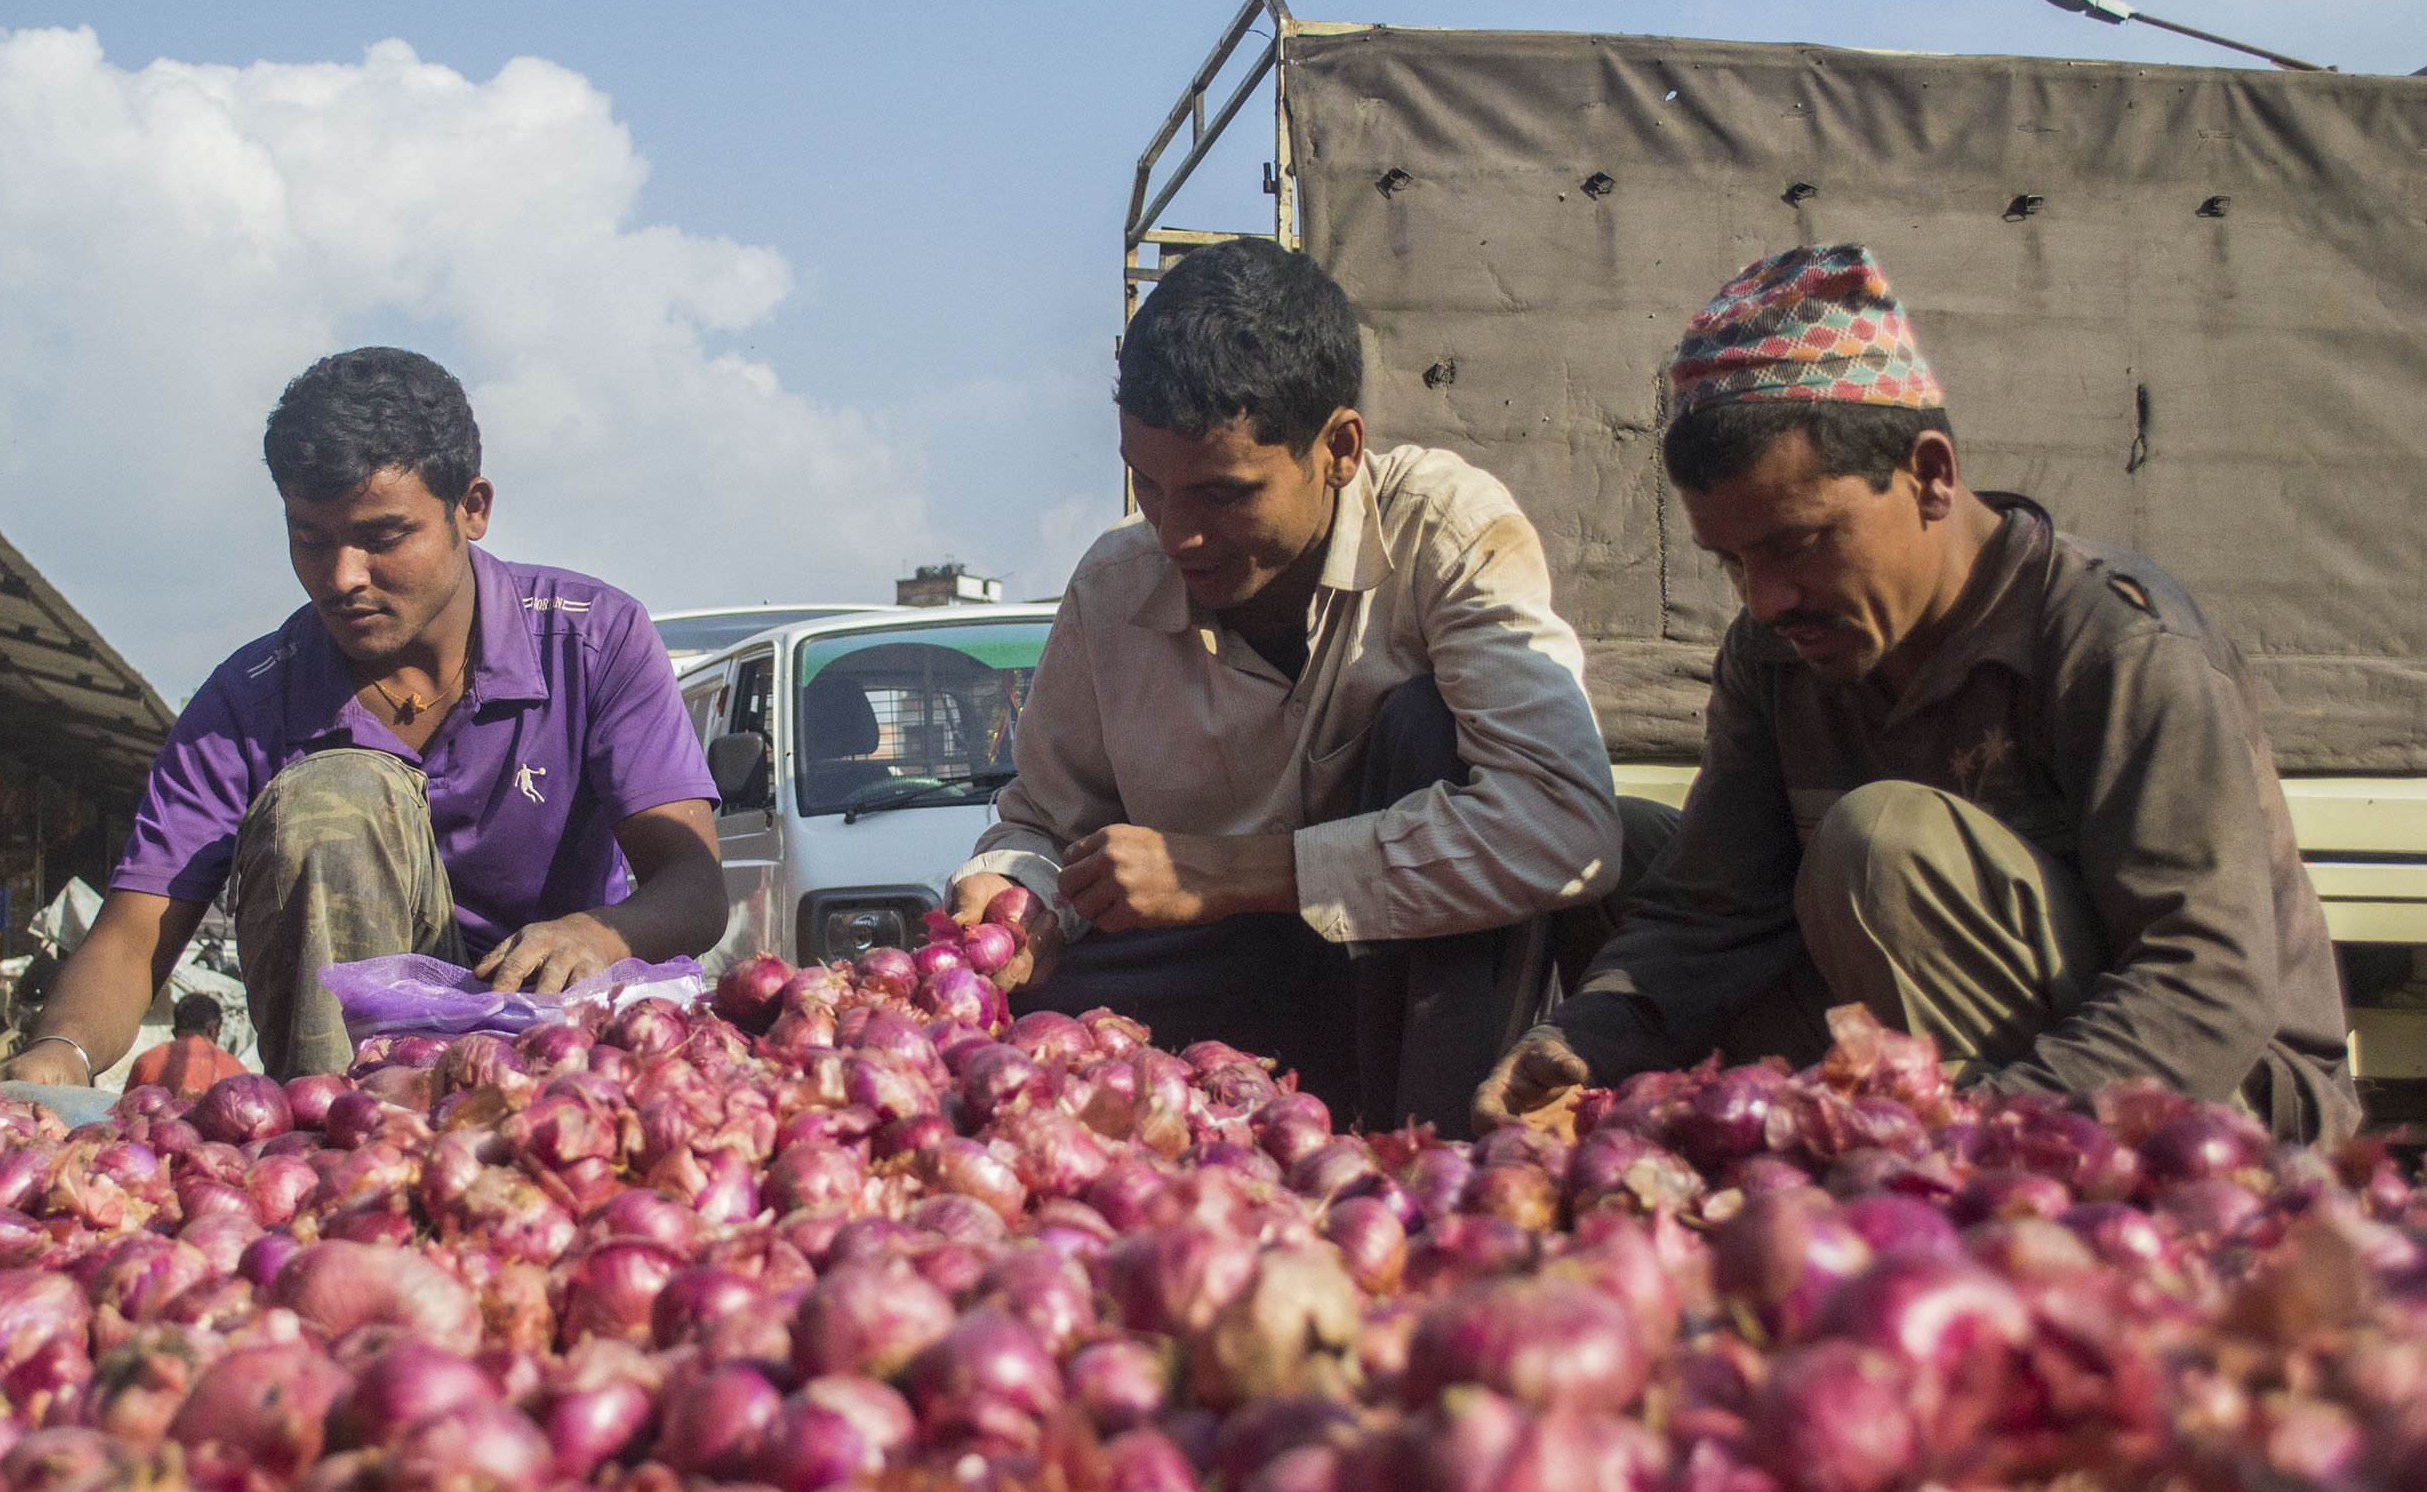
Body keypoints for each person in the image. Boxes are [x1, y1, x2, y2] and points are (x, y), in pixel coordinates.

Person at [1478, 244, 2359, 1141]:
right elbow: (1711, 906)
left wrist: (1972, 1136)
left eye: (1801, 543)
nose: (1766, 600)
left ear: (1931, 475)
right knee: (1622, 847)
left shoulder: (2118, 645)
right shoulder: (1773, 653)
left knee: (1879, 845)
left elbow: (2204, 980)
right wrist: (1581, 1040)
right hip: (1940, 1066)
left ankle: (1956, 1202)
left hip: (2208, 1093)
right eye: (1732, 563)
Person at [948, 239, 1622, 1130]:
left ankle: (1436, 1154)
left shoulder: (1442, 535)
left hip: (1409, 968)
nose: (1178, 534)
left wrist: (1239, 870)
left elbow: (1563, 823)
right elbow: (1042, 819)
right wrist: (1013, 893)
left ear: (1340, 448)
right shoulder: (1113, 585)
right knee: (1002, 1048)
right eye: (1149, 486)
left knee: (1425, 727)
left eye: (1223, 494)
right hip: (1224, 975)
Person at [4, 347, 725, 1085]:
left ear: (471, 509)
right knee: (332, 801)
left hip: (554, 1065)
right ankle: (337, 1148)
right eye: (310, 539)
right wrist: (61, 1052)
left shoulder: (594, 638)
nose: (343, 578)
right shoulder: (244, 703)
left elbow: (695, 888)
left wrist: (597, 934)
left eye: (383, 539)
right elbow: (132, 939)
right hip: (359, 1087)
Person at [124, 992, 249, 1098]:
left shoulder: (146, 1060)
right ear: (212, 1029)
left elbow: (124, 1112)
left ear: (174, 1031)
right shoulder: (236, 1069)